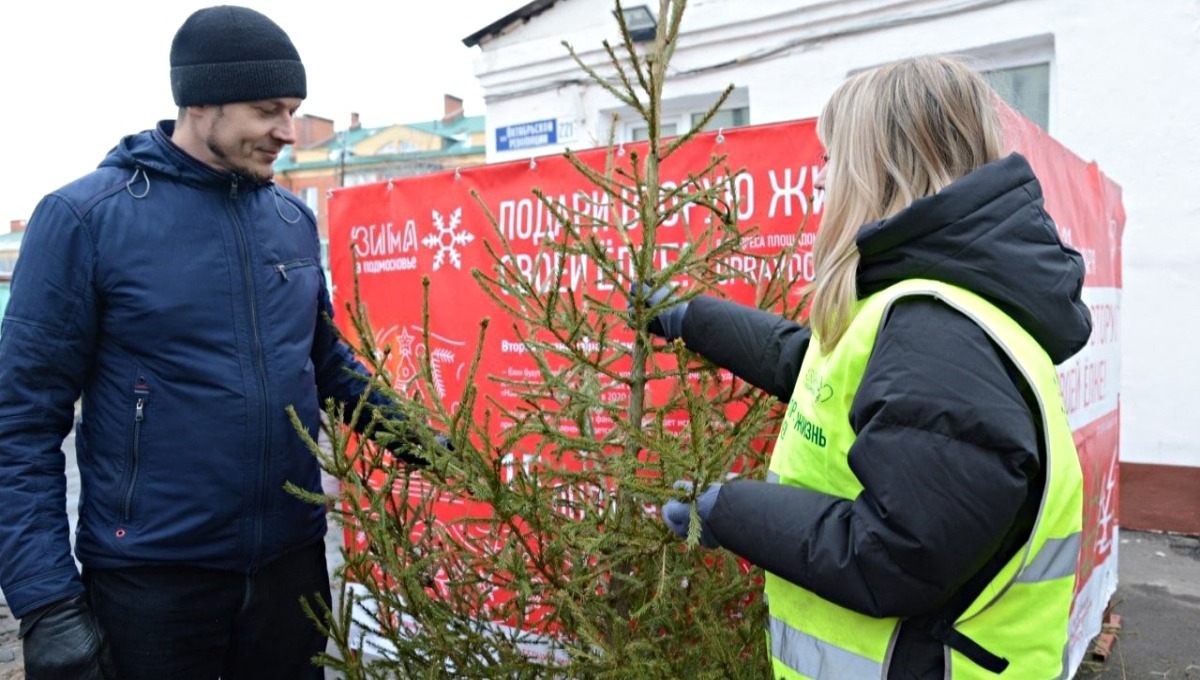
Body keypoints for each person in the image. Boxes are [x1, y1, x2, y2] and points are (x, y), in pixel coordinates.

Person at [0, 6, 434, 679]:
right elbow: (20, 421)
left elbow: (323, 364)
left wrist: (430, 446)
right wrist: (46, 603)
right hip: (154, 583)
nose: (287, 132)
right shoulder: (86, 219)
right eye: (268, 110)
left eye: (292, 110)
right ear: (200, 100)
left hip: (291, 575)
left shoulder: (290, 220)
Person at [650, 55, 1091, 679]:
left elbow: (897, 556)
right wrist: (693, 319)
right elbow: (814, 367)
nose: (817, 181)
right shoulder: (928, 307)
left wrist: (727, 511)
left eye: (831, 159)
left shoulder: (943, 337)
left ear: (878, 170)